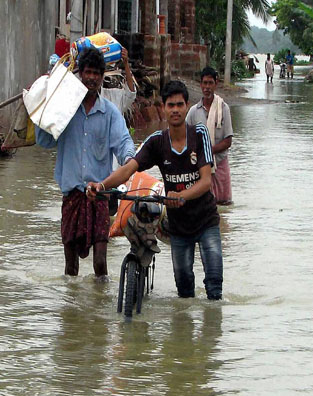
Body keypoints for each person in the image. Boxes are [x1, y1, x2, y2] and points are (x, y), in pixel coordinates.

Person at [87, 80, 223, 300]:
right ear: (164, 108)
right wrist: (101, 186)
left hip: (206, 220)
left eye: (180, 104)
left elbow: (206, 181)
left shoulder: (199, 134)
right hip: (178, 226)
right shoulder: (156, 142)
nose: (176, 110)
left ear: (187, 106)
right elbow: (128, 169)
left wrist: (180, 196)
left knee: (215, 287)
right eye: (171, 105)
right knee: (184, 291)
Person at [35, 47, 136, 279]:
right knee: (70, 269)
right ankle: (72, 310)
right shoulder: (65, 110)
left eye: (96, 74)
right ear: (80, 74)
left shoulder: (110, 113)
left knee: (100, 264)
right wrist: (42, 107)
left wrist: (130, 162)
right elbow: (44, 141)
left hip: (99, 195)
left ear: (102, 77)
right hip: (72, 195)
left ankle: (99, 310)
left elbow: (123, 144)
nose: (91, 78)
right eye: (87, 72)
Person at [186, 66, 233, 205]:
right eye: (204, 83)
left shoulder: (224, 109)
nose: (207, 87)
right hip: (200, 166)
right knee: (203, 203)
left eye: (210, 83)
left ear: (215, 84)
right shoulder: (194, 111)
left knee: (224, 203)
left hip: (220, 163)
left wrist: (208, 151)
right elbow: (185, 136)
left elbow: (228, 141)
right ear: (200, 85)